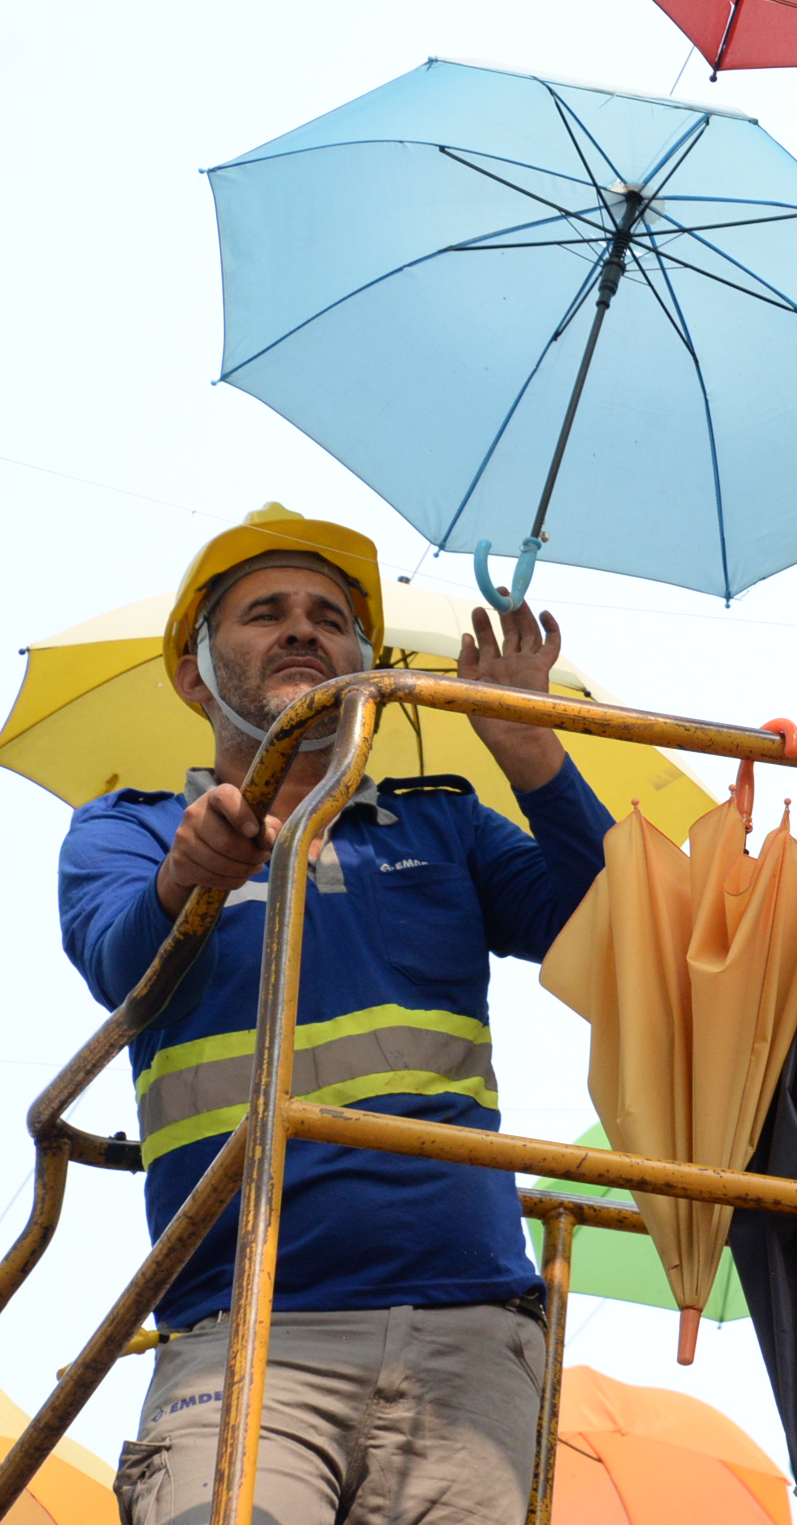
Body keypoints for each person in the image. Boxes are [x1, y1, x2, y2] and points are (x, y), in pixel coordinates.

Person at [57, 505, 615, 1525]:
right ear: (194, 674)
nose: (303, 630)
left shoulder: (442, 821)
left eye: (329, 616)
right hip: (240, 1332)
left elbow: (611, 936)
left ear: (367, 660)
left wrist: (532, 753)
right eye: (264, 613)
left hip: (467, 1336)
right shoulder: (126, 829)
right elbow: (117, 963)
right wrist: (190, 871)